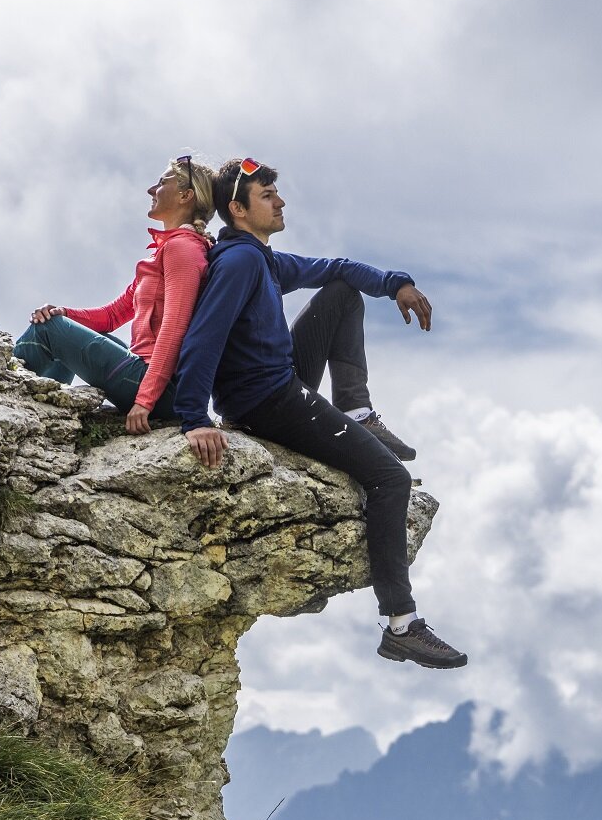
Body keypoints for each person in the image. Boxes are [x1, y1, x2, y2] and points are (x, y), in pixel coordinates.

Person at [174, 157, 467, 670]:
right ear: (238, 210)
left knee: (340, 292)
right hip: (266, 401)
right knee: (390, 479)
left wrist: (395, 282)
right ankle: (402, 625)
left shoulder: (263, 259)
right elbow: (204, 337)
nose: (280, 201)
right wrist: (194, 417)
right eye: (268, 196)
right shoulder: (239, 263)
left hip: (279, 381)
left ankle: (357, 409)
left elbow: (337, 268)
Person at [13, 156, 217, 433]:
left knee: (48, 329)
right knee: (60, 326)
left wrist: (145, 401)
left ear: (186, 195)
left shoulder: (183, 249)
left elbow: (175, 328)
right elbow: (112, 316)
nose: (151, 190)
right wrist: (64, 313)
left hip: (162, 391)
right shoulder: (167, 250)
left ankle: (4, 390)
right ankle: (38, 409)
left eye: (161, 182)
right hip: (152, 380)